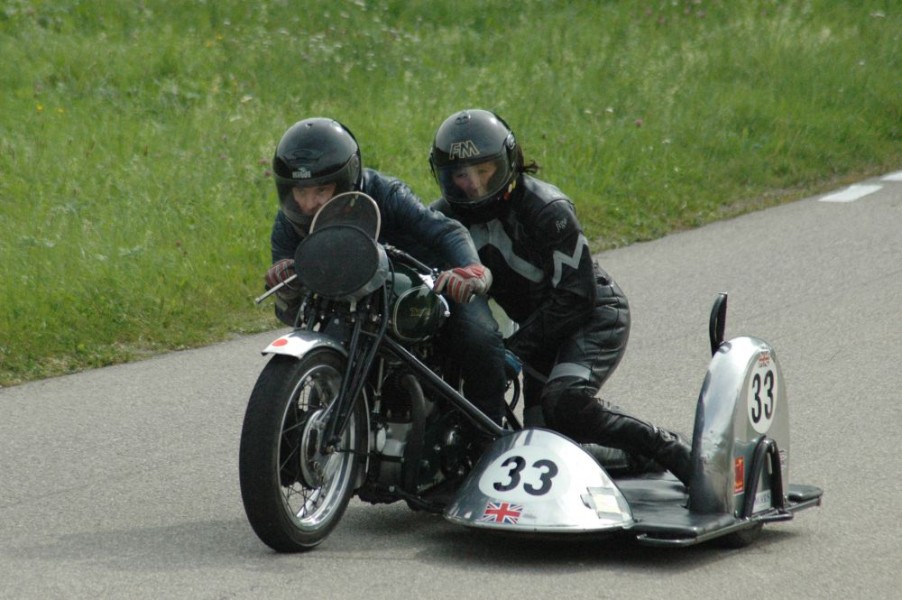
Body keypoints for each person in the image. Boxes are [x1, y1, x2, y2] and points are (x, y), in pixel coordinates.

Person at [428, 109, 692, 485]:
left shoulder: (548, 211)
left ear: (509, 163)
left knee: (565, 403)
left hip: (594, 316)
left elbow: (577, 295)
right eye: (460, 175)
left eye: (483, 172)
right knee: (547, 448)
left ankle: (669, 447)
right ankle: (638, 457)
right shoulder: (442, 218)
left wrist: (514, 350)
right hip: (538, 332)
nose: (473, 186)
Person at [264, 117, 507, 425]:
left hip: (423, 286)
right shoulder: (288, 223)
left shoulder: (385, 192)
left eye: (321, 190)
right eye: (300, 192)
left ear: (346, 179)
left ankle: (488, 440)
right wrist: (284, 280)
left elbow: (447, 231)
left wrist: (471, 270)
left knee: (479, 336)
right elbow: (289, 309)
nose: (309, 203)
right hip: (348, 304)